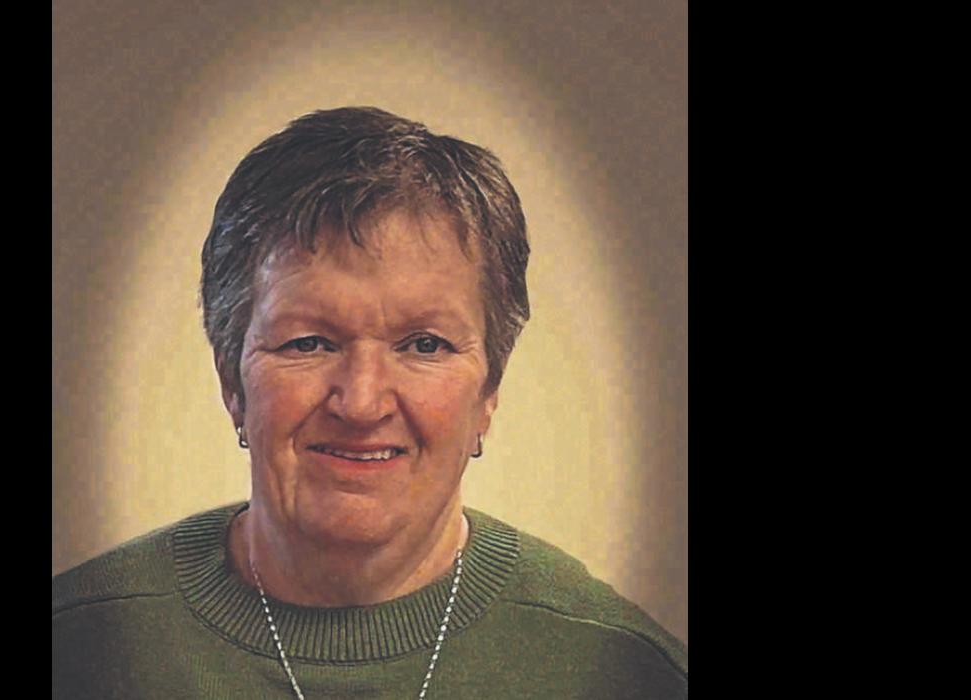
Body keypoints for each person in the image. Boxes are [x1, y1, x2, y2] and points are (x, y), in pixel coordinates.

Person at [52, 107, 687, 699]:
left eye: (424, 344)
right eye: (308, 342)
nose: (361, 403)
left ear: (489, 392)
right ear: (231, 380)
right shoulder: (81, 646)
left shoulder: (620, 670)